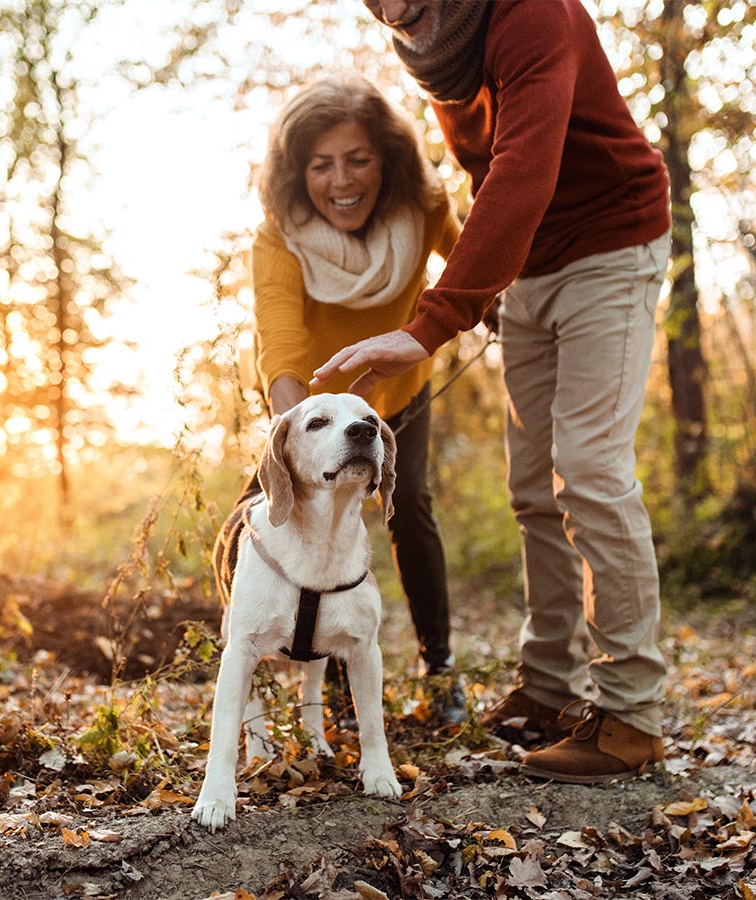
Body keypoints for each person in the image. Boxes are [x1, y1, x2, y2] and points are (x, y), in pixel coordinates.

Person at [312, 0, 672, 782]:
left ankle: (634, 713)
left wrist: (434, 319)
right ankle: (549, 688)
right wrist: (495, 279)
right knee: (532, 488)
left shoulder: (530, 13)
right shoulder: (433, 43)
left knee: (590, 471)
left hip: (613, 241)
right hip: (533, 267)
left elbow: (522, 166)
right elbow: (487, 175)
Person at [249, 73, 466, 723]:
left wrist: (503, 309)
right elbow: (282, 343)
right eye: (321, 165)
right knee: (271, 513)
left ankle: (439, 667)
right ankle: (300, 668)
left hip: (400, 395)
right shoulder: (277, 238)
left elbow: (472, 270)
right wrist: (295, 439)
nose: (340, 181)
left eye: (357, 159)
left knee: (413, 509)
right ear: (298, 172)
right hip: (308, 411)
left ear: (388, 160)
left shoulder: (423, 209)